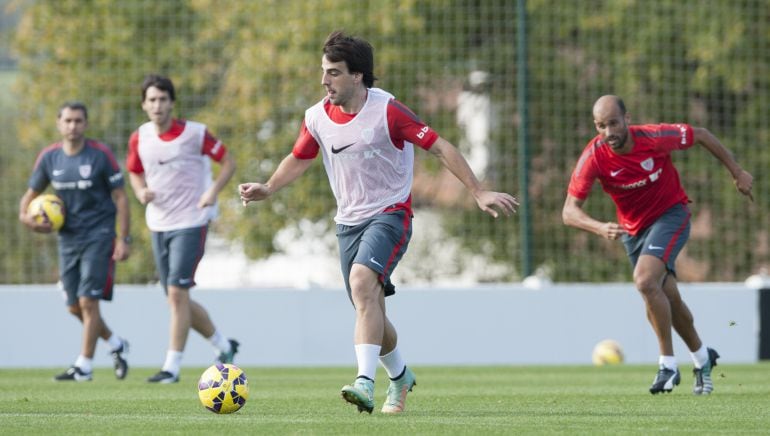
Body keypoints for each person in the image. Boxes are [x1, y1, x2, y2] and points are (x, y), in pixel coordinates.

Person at [239, 31, 518, 414]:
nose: (325, 81)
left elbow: (439, 146)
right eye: (324, 72)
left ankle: (364, 383)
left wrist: (477, 191)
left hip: (390, 214)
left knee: (360, 283)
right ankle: (401, 376)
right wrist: (268, 187)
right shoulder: (317, 117)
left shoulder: (388, 111)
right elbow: (300, 156)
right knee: (368, 306)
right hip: (347, 223)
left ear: (358, 76)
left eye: (334, 73)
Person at [563, 95, 754, 395]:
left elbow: (701, 134)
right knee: (666, 296)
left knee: (644, 281)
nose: (608, 132)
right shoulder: (594, 156)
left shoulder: (654, 137)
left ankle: (667, 365)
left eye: (613, 123)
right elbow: (569, 212)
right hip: (632, 231)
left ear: (627, 119)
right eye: (601, 126)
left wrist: (737, 172)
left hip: (670, 216)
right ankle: (703, 358)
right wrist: (599, 227)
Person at [126, 74, 238, 384]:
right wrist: (140, 192)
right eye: (152, 100)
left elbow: (228, 162)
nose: (157, 105)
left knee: (177, 293)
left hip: (192, 220)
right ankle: (224, 346)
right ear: (144, 105)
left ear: (172, 103)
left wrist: (212, 191)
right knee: (178, 298)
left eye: (163, 99)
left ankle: (171, 368)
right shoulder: (140, 138)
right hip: (158, 223)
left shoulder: (195, 134)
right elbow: (134, 172)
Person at [19, 102, 132, 382]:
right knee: (74, 306)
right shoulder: (49, 158)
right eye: (68, 120)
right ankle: (116, 343)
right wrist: (27, 218)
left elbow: (120, 197)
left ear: (86, 124)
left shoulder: (100, 155)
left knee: (88, 301)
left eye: (78, 121)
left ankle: (84, 366)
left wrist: (123, 237)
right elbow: (30, 194)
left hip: (99, 234)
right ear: (59, 123)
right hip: (68, 238)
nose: (73, 126)